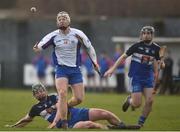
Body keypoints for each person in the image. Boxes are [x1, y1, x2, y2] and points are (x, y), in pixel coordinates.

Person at [33, 11, 99, 129]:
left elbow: (90, 48)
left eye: (64, 18)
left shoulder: (78, 34)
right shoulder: (53, 35)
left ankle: (63, 106)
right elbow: (40, 47)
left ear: (69, 21)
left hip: (75, 69)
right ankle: (64, 122)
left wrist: (95, 62)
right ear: (57, 22)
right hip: (61, 69)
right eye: (59, 19)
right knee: (62, 93)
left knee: (79, 99)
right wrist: (37, 48)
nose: (62, 20)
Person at [5, 83, 140, 130]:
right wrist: (13, 127)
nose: (40, 92)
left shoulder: (54, 96)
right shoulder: (35, 108)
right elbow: (26, 119)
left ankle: (122, 126)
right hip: (67, 123)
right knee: (89, 124)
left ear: (45, 91)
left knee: (104, 113)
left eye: (41, 90)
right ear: (34, 96)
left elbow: (60, 106)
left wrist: (54, 120)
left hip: (76, 112)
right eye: (37, 92)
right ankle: (109, 129)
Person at [104, 26, 165, 127]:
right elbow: (123, 57)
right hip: (136, 77)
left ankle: (140, 123)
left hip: (148, 78)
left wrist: (162, 64)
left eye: (148, 33)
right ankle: (129, 100)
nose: (146, 35)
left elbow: (160, 65)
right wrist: (112, 69)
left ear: (152, 35)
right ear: (141, 35)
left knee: (150, 101)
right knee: (137, 104)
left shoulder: (157, 49)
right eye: (144, 33)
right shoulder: (136, 46)